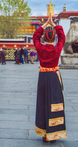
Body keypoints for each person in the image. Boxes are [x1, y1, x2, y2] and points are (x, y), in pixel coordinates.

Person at [33, 13, 67, 142]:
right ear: (54, 39)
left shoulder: (40, 48)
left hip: (42, 77)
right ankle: (53, 133)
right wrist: (55, 25)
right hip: (53, 77)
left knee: (43, 103)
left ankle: (43, 132)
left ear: (44, 39)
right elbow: (62, 37)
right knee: (54, 103)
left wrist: (44, 25)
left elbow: (35, 37)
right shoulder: (57, 48)